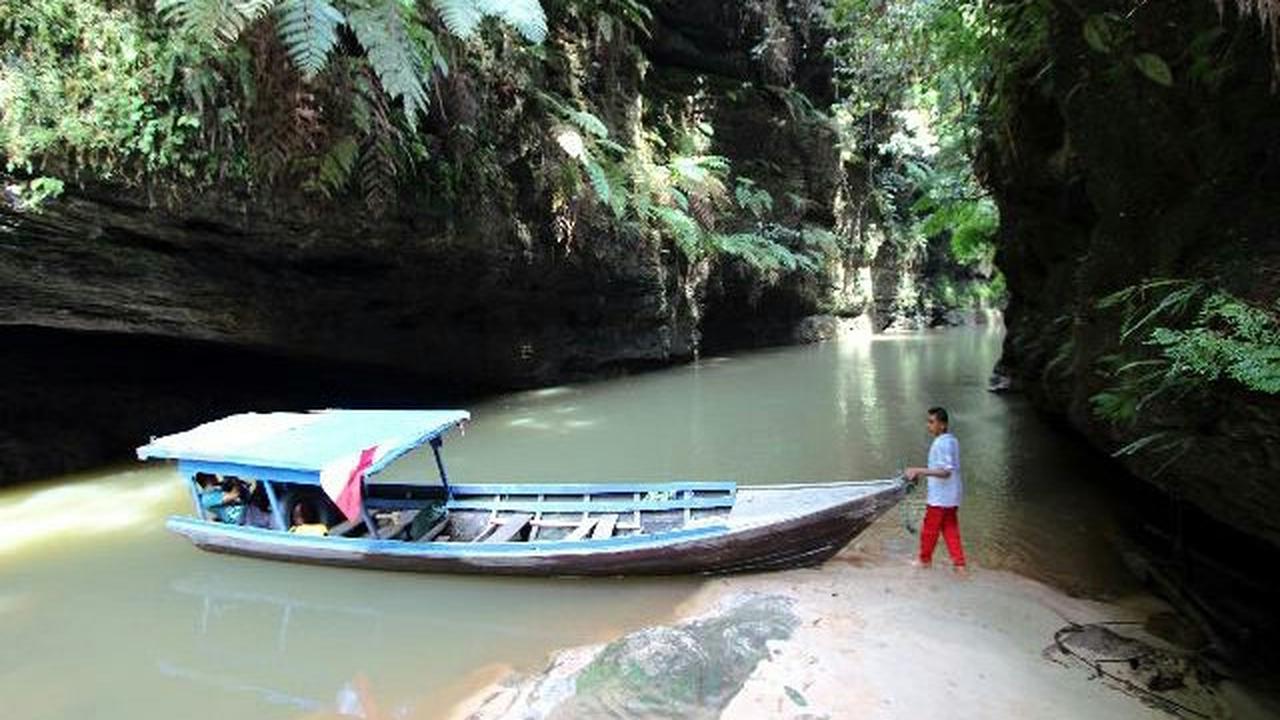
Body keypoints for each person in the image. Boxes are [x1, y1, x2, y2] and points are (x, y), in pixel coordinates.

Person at [904, 406, 967, 574]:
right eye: (928, 422)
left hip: (941, 498)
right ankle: (959, 565)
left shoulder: (943, 444)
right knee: (950, 529)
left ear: (943, 425)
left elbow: (946, 472)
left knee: (929, 530)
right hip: (952, 496)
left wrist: (918, 470)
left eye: (932, 422)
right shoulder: (952, 440)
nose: (928, 425)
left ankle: (924, 561)